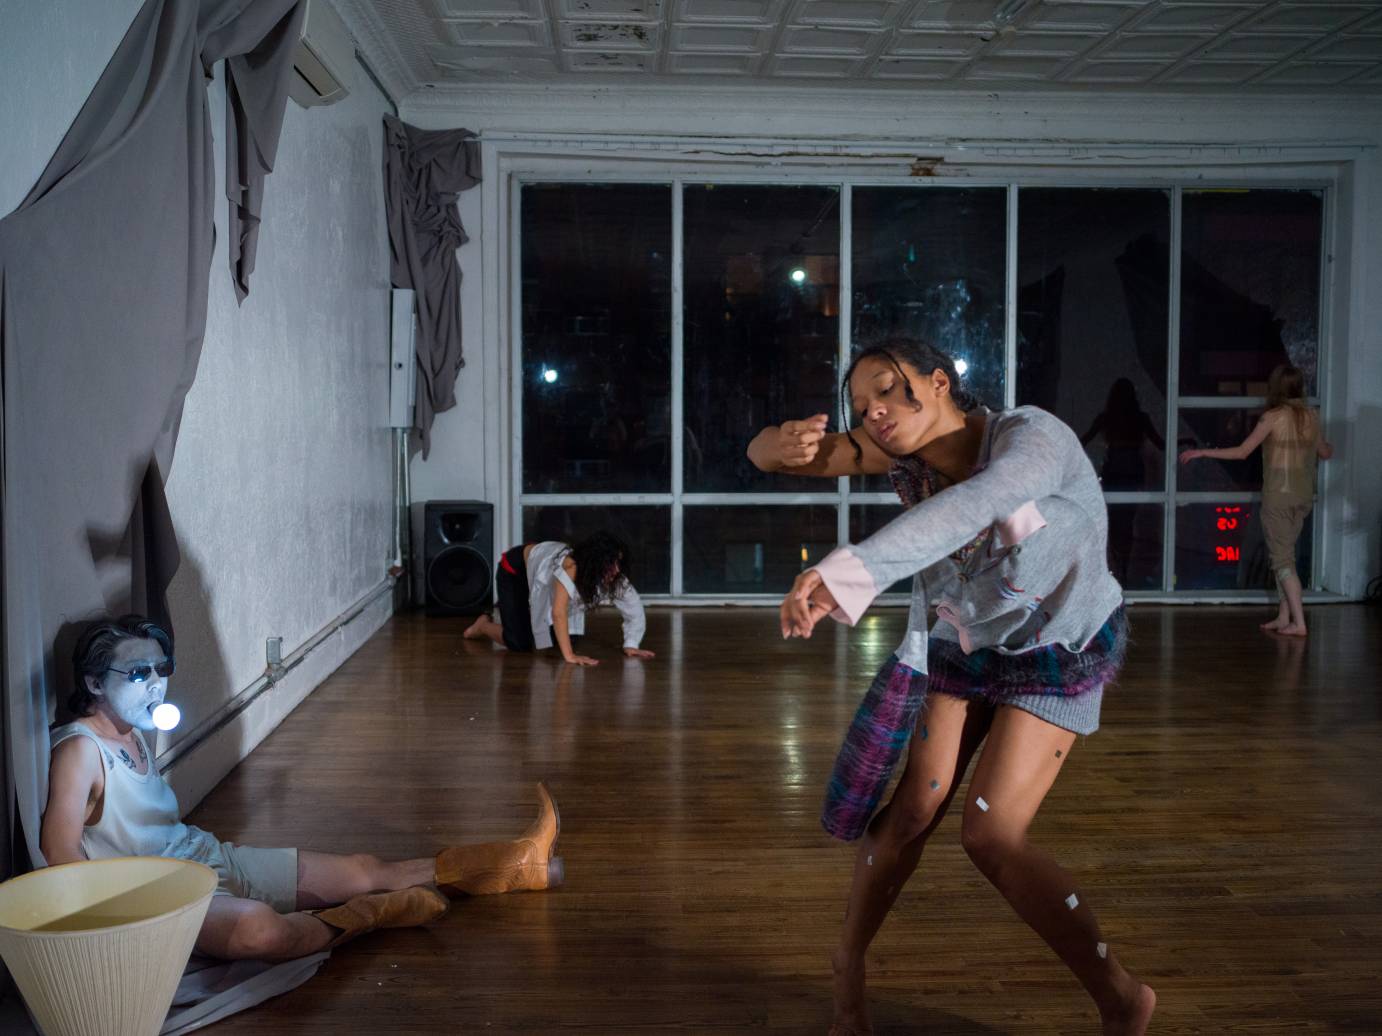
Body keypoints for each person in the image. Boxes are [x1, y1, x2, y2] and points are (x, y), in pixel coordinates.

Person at [747, 337, 1155, 1036]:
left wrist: (847, 573)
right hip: (965, 643)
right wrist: (775, 445)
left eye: (886, 389)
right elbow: (771, 455)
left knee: (991, 834)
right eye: (860, 406)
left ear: (939, 382)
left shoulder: (1030, 440)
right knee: (912, 809)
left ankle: (1122, 996)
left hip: (1058, 648)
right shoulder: (903, 454)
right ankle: (847, 966)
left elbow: (977, 503)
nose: (873, 412)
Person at [41, 614, 563, 961]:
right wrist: (121, 926)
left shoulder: (133, 729)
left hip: (206, 857)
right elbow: (59, 851)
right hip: (165, 899)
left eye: (162, 668)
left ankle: (520, 862)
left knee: (365, 868)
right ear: (94, 682)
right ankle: (371, 916)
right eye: (138, 672)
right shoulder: (81, 750)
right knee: (261, 931)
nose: (156, 684)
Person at [1180, 363, 1333, 637]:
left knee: (1283, 561)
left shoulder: (1272, 418)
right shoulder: (1311, 416)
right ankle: (1284, 617)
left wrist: (1203, 453)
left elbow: (1242, 452)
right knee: (1284, 555)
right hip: (1302, 497)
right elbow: (1325, 452)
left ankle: (1298, 622)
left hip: (1278, 498)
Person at [464, 531, 655, 667]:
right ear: (596, 562)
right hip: (515, 571)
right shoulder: (570, 567)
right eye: (611, 563)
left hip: (540, 571)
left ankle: (520, 619)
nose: (617, 570)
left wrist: (631, 644)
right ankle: (482, 625)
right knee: (520, 643)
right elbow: (558, 612)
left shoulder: (613, 577)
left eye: (619, 563)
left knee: (565, 637)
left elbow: (633, 605)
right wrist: (570, 656)